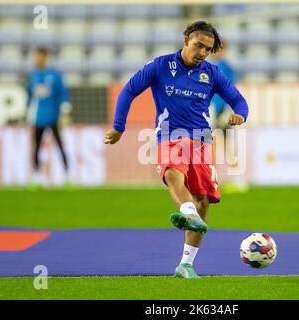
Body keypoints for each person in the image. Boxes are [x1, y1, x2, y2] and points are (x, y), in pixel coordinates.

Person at [103, 21, 249, 278]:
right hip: (171, 135)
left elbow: (238, 99)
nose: (202, 52)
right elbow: (129, 90)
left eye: (207, 49)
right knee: (172, 173)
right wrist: (118, 126)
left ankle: (186, 264)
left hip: (202, 141)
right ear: (186, 41)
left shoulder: (212, 74)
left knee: (203, 200)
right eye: (198, 46)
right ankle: (188, 212)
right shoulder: (161, 66)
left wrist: (240, 114)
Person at [26, 47, 72, 188]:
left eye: (39, 56)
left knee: (60, 145)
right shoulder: (34, 76)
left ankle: (67, 177)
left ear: (45, 57)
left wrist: (65, 109)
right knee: (37, 147)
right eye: (36, 57)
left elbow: (63, 93)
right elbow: (29, 95)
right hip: (38, 118)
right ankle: (37, 177)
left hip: (53, 116)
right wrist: (27, 112)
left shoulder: (54, 75)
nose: (37, 59)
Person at [210, 40, 249, 194]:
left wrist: (221, 110)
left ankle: (230, 179)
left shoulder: (222, 68)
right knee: (220, 146)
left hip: (220, 112)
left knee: (218, 146)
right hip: (220, 110)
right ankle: (235, 179)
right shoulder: (226, 67)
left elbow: (225, 91)